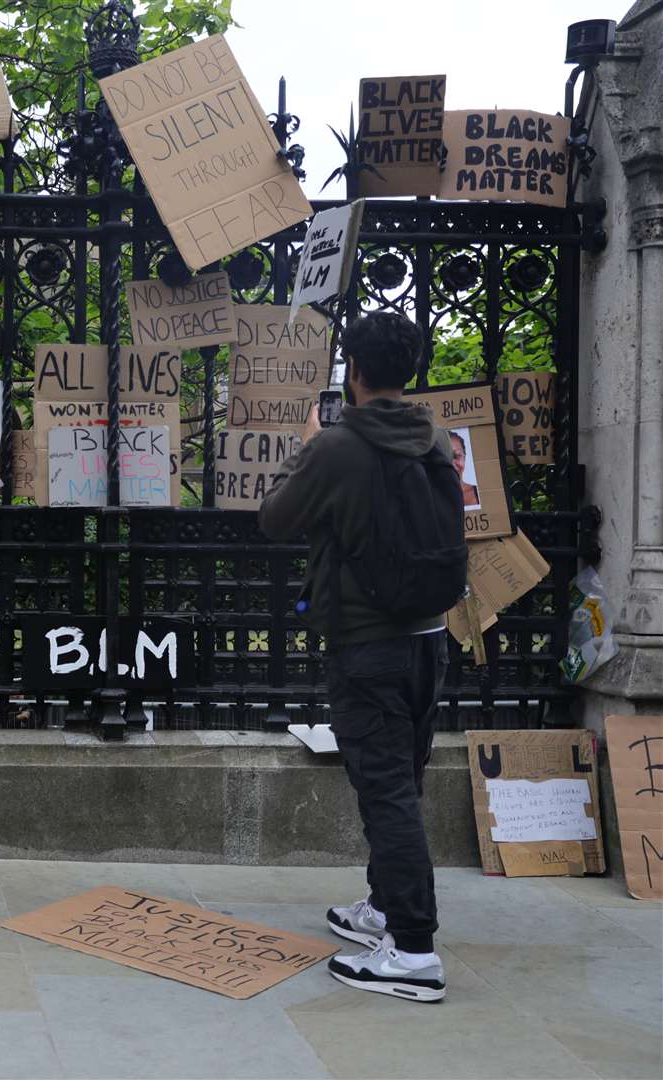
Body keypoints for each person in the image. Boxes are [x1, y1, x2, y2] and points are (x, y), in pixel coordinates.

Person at [258, 311, 461, 1004]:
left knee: (386, 790)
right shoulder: (433, 439)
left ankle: (411, 951)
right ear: (408, 371)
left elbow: (275, 518)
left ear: (354, 370)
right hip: (430, 635)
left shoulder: (338, 446)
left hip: (367, 639)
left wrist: (305, 446)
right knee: (402, 777)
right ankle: (382, 903)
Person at [448, 430, 481, 509]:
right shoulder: (430, 498)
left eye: (457, 456)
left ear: (464, 457)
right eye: (445, 457)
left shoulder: (480, 493)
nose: (452, 464)